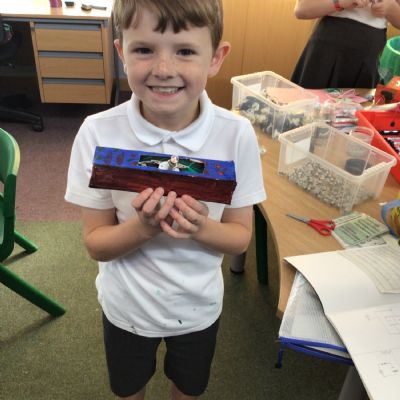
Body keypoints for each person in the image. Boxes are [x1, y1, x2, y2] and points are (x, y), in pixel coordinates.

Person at [64, 1, 266, 399]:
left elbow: (240, 237)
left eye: (185, 51)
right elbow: (96, 244)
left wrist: (200, 227)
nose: (163, 69)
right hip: (126, 306)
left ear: (216, 57)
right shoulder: (97, 133)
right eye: (144, 49)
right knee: (128, 388)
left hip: (197, 308)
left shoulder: (236, 135)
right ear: (122, 52)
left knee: (188, 387)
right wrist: (143, 228)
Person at [291, 0, 400, 89]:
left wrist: (390, 7)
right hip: (325, 51)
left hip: (367, 58)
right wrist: (339, 2)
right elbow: (301, 9)